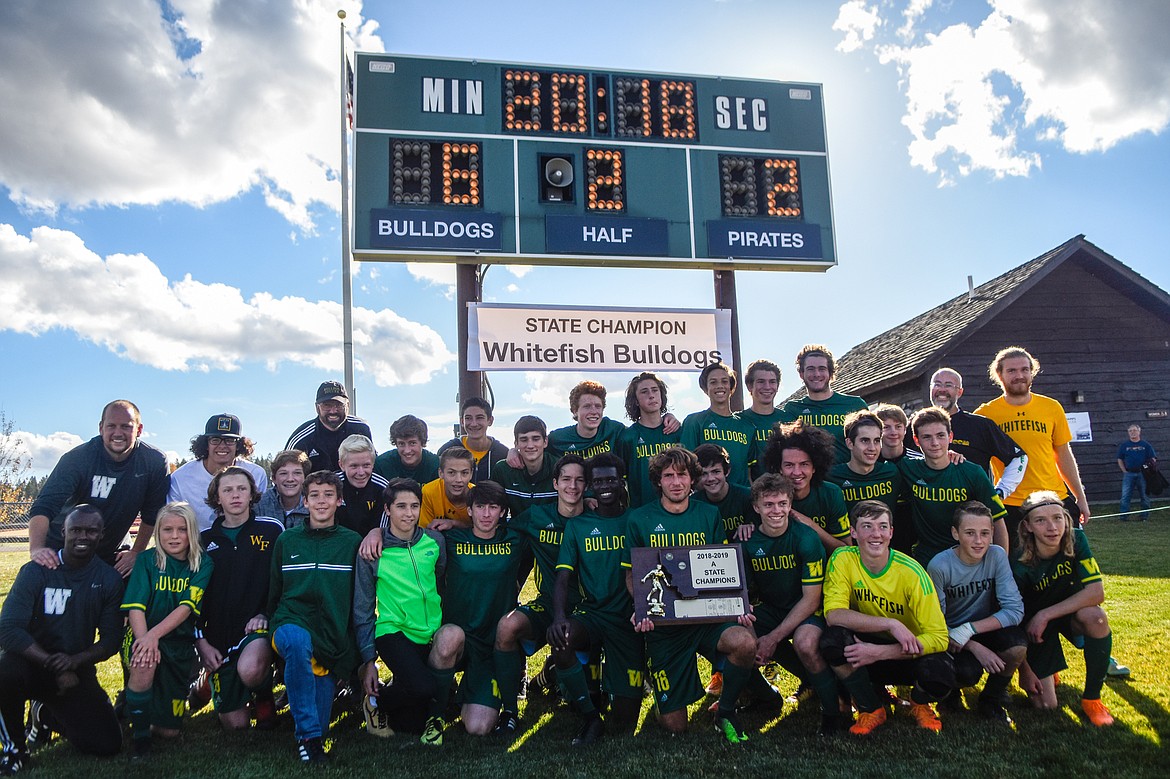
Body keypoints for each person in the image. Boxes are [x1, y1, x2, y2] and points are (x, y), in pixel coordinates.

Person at [622, 448, 758, 743]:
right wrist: (642, 606)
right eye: (668, 475)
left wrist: (735, 605)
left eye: (682, 474)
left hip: (703, 619)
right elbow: (632, 574)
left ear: (692, 479)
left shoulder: (709, 515)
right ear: (658, 481)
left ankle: (725, 709)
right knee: (675, 727)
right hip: (666, 628)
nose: (675, 482)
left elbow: (721, 567)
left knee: (745, 640)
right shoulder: (639, 519)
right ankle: (664, 695)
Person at [1, 506, 124, 773]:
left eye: (91, 531)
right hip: (30, 663)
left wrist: (74, 662)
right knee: (4, 669)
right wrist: (53, 664)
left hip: (75, 670)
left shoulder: (108, 579)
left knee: (107, 744)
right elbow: (8, 630)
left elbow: (112, 640)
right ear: (63, 531)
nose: (83, 536)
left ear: (101, 535)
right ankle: (15, 749)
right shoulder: (35, 572)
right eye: (76, 530)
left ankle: (45, 714)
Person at [819, 500, 954, 735]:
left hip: (907, 652)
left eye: (882, 527)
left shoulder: (911, 572)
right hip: (864, 650)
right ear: (853, 531)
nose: (876, 534)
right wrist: (891, 624)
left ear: (892, 532)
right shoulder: (842, 558)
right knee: (832, 641)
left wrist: (879, 652)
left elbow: (940, 638)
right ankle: (871, 707)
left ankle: (919, 702)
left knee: (942, 673)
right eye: (867, 526)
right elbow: (833, 614)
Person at [354, 479, 462, 739]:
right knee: (424, 688)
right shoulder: (373, 551)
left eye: (414, 506)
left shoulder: (435, 542)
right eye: (401, 506)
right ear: (387, 510)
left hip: (430, 631)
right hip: (394, 631)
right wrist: (368, 660)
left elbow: (437, 582)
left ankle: (401, 688)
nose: (409, 513)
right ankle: (374, 702)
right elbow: (363, 607)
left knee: (412, 722)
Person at [549, 453, 645, 745]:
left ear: (621, 482)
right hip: (593, 615)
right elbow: (563, 578)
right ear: (590, 485)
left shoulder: (636, 520)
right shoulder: (578, 526)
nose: (605, 485)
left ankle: (609, 690)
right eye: (599, 480)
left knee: (625, 721)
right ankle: (590, 717)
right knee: (561, 638)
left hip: (628, 620)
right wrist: (559, 617)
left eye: (611, 479)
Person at [267, 470, 362, 763]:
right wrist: (272, 624)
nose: (321, 502)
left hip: (331, 635)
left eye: (328, 495)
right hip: (290, 621)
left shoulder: (352, 542)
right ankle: (307, 738)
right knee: (296, 642)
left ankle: (313, 729)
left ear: (339, 501)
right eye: (315, 496)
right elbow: (275, 591)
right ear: (304, 502)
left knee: (323, 723)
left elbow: (359, 598)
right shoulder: (287, 541)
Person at [492, 454, 586, 735]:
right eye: (566, 479)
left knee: (588, 699)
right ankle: (509, 709)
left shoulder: (595, 519)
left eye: (580, 480)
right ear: (555, 483)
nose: (573, 486)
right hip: (548, 605)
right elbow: (496, 529)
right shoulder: (536, 516)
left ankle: (552, 674)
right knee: (507, 626)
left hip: (587, 611)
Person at [742, 474, 841, 736]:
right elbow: (745, 592)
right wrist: (753, 628)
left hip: (807, 608)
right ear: (756, 507)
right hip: (772, 608)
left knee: (805, 643)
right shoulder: (748, 540)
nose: (776, 511)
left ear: (790, 504)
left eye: (782, 503)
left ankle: (832, 712)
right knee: (737, 639)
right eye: (769, 504)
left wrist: (773, 637)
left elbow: (811, 599)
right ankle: (764, 697)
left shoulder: (806, 538)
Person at [28, 400, 169, 577]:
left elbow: (152, 514)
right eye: (111, 426)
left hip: (113, 551)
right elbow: (44, 506)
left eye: (126, 426)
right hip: (66, 548)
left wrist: (137, 552)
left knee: (139, 585)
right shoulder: (78, 458)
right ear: (101, 428)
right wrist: (37, 548)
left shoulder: (153, 461)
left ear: (139, 430)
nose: (118, 433)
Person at [1011, 491, 1116, 726]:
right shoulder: (1017, 561)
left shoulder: (1077, 540)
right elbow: (1013, 620)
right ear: (1027, 526)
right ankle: (1047, 667)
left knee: (1096, 618)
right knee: (1047, 706)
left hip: (1066, 617)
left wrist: (1045, 614)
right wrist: (1025, 669)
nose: (1052, 527)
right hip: (1034, 632)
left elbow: (1096, 593)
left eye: (1058, 518)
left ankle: (1091, 700)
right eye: (1041, 520)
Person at [121, 502, 213, 758]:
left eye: (182, 530)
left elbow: (186, 608)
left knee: (169, 732)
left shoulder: (202, 564)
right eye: (167, 530)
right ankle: (140, 739)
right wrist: (144, 641)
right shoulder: (147, 561)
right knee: (144, 661)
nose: (174, 536)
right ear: (158, 533)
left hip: (178, 644)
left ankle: (138, 710)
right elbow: (135, 607)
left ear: (192, 532)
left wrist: (154, 636)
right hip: (141, 634)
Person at [196, 466, 282, 730]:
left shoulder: (272, 530)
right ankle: (205, 680)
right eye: (228, 490)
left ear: (252, 494)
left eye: (242, 489)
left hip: (255, 627)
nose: (235, 495)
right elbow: (193, 597)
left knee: (251, 669)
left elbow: (282, 581)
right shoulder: (203, 540)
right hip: (218, 636)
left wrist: (265, 614)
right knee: (236, 726)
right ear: (217, 497)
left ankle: (263, 693)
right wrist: (201, 643)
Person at [437, 482, 524, 740]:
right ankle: (436, 707)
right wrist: (376, 531)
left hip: (491, 644)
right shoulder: (450, 539)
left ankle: (471, 692)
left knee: (478, 727)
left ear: (502, 511)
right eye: (480, 507)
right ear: (470, 511)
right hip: (458, 637)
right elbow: (405, 534)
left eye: (493, 507)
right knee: (448, 639)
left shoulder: (515, 538)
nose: (487, 514)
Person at [974, 347, 1091, 537]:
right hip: (1011, 504)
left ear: (1032, 372)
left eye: (1024, 370)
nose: (1019, 375)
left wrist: (1080, 497)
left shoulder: (1051, 407)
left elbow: (1063, 455)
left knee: (1067, 561)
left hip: (1054, 498)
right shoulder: (985, 415)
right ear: (999, 375)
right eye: (1011, 371)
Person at [926, 501, 1026, 724]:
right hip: (948, 634)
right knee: (968, 673)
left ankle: (991, 699)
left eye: (985, 533)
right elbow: (934, 622)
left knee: (1017, 645)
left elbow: (1015, 609)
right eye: (970, 533)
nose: (979, 541)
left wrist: (970, 630)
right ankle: (950, 693)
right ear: (955, 533)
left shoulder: (996, 555)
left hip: (979, 628)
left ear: (992, 533)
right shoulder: (939, 566)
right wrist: (970, 643)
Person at [899, 407, 1008, 566]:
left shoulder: (972, 472)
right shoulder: (908, 469)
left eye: (940, 436)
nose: (935, 443)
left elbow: (997, 520)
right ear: (916, 441)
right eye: (927, 437)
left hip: (969, 560)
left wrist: (1001, 568)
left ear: (950, 437)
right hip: (927, 560)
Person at [926, 368, 1028, 493]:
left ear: (960, 392)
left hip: (972, 509)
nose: (942, 389)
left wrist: (1001, 491)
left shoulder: (980, 425)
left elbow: (1018, 458)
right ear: (930, 389)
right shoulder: (916, 425)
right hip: (926, 508)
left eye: (948, 385)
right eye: (937, 384)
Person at [168, 413, 268, 531]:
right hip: (196, 544)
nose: (222, 446)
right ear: (206, 444)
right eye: (215, 440)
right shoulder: (180, 478)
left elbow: (259, 517)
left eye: (229, 440)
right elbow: (173, 520)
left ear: (239, 445)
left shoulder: (256, 474)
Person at [762, 419, 850, 552]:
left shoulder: (831, 493)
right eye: (789, 465)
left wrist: (810, 525)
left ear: (815, 466)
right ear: (779, 467)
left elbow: (846, 549)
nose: (797, 472)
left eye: (804, 464)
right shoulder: (766, 497)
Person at [779, 345, 867, 464]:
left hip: (848, 480)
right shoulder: (793, 409)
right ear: (801, 374)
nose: (816, 374)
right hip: (809, 480)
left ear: (830, 373)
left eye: (822, 369)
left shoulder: (855, 405)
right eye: (810, 369)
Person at [680, 362, 758, 488]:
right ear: (705, 388)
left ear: (731, 387)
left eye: (724, 381)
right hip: (706, 497)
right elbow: (686, 466)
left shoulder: (747, 426)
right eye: (713, 382)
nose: (719, 386)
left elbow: (749, 471)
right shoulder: (694, 421)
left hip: (740, 499)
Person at [616, 372, 681, 508]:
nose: (651, 395)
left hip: (676, 509)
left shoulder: (676, 431)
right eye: (644, 392)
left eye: (655, 390)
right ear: (635, 400)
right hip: (641, 511)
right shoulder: (627, 437)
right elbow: (620, 478)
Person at [827, 410, 905, 516]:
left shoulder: (892, 473)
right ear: (849, 443)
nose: (872, 448)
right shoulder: (832, 477)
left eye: (877, 441)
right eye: (865, 441)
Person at [285, 380, 373, 474]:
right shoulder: (302, 438)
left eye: (339, 405)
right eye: (327, 405)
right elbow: (284, 472)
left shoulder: (361, 429)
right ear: (317, 408)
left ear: (347, 405)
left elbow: (371, 465)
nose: (333, 411)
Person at [492, 416, 558, 518]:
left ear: (545, 442)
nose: (530, 445)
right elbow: (494, 508)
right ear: (516, 444)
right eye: (524, 439)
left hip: (551, 531)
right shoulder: (503, 470)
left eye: (536, 439)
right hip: (516, 531)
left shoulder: (559, 468)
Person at [548, 381, 628, 460]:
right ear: (575, 411)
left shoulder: (614, 429)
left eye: (598, 406)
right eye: (587, 406)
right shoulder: (557, 439)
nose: (593, 412)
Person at [693, 444, 758, 539]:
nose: (710, 478)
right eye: (704, 474)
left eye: (716, 472)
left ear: (727, 471)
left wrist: (750, 527)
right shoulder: (693, 503)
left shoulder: (747, 497)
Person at [438, 398, 510, 482]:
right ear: (462, 421)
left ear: (490, 420)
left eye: (479, 418)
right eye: (468, 418)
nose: (474, 424)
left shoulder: (502, 453)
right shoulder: (447, 450)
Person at [335, 434, 389, 536]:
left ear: (373, 464)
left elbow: (382, 529)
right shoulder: (331, 486)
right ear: (341, 465)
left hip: (371, 543)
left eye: (366, 465)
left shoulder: (383, 488)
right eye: (354, 466)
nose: (361, 472)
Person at [737, 360, 785, 471]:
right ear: (749, 386)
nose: (767, 387)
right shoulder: (739, 421)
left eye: (772, 382)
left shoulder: (789, 420)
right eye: (761, 381)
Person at [373, 415, 441, 484]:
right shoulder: (382, 465)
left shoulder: (436, 465)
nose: (407, 450)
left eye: (412, 443)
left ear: (422, 442)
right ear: (396, 444)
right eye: (401, 444)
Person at [420, 447, 476, 529]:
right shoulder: (429, 491)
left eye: (464, 473)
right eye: (451, 473)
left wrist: (454, 523)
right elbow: (424, 529)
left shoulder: (477, 496)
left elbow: (483, 530)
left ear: (471, 474)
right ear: (441, 473)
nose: (458, 479)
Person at [256, 449, 311, 529]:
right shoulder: (259, 505)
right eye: (283, 473)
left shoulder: (313, 505)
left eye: (297, 473)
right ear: (274, 479)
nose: (290, 479)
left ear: (305, 478)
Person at [1117, 424, 1156, 522]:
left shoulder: (1145, 445)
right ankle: (1124, 516)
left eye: (1134, 430)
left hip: (1142, 474)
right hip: (1129, 474)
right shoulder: (1124, 446)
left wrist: (1148, 469)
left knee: (1144, 495)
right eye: (1130, 431)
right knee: (1125, 495)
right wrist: (1124, 471)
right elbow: (1120, 459)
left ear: (1139, 432)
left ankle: (1144, 516)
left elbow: (1153, 458)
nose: (1132, 433)